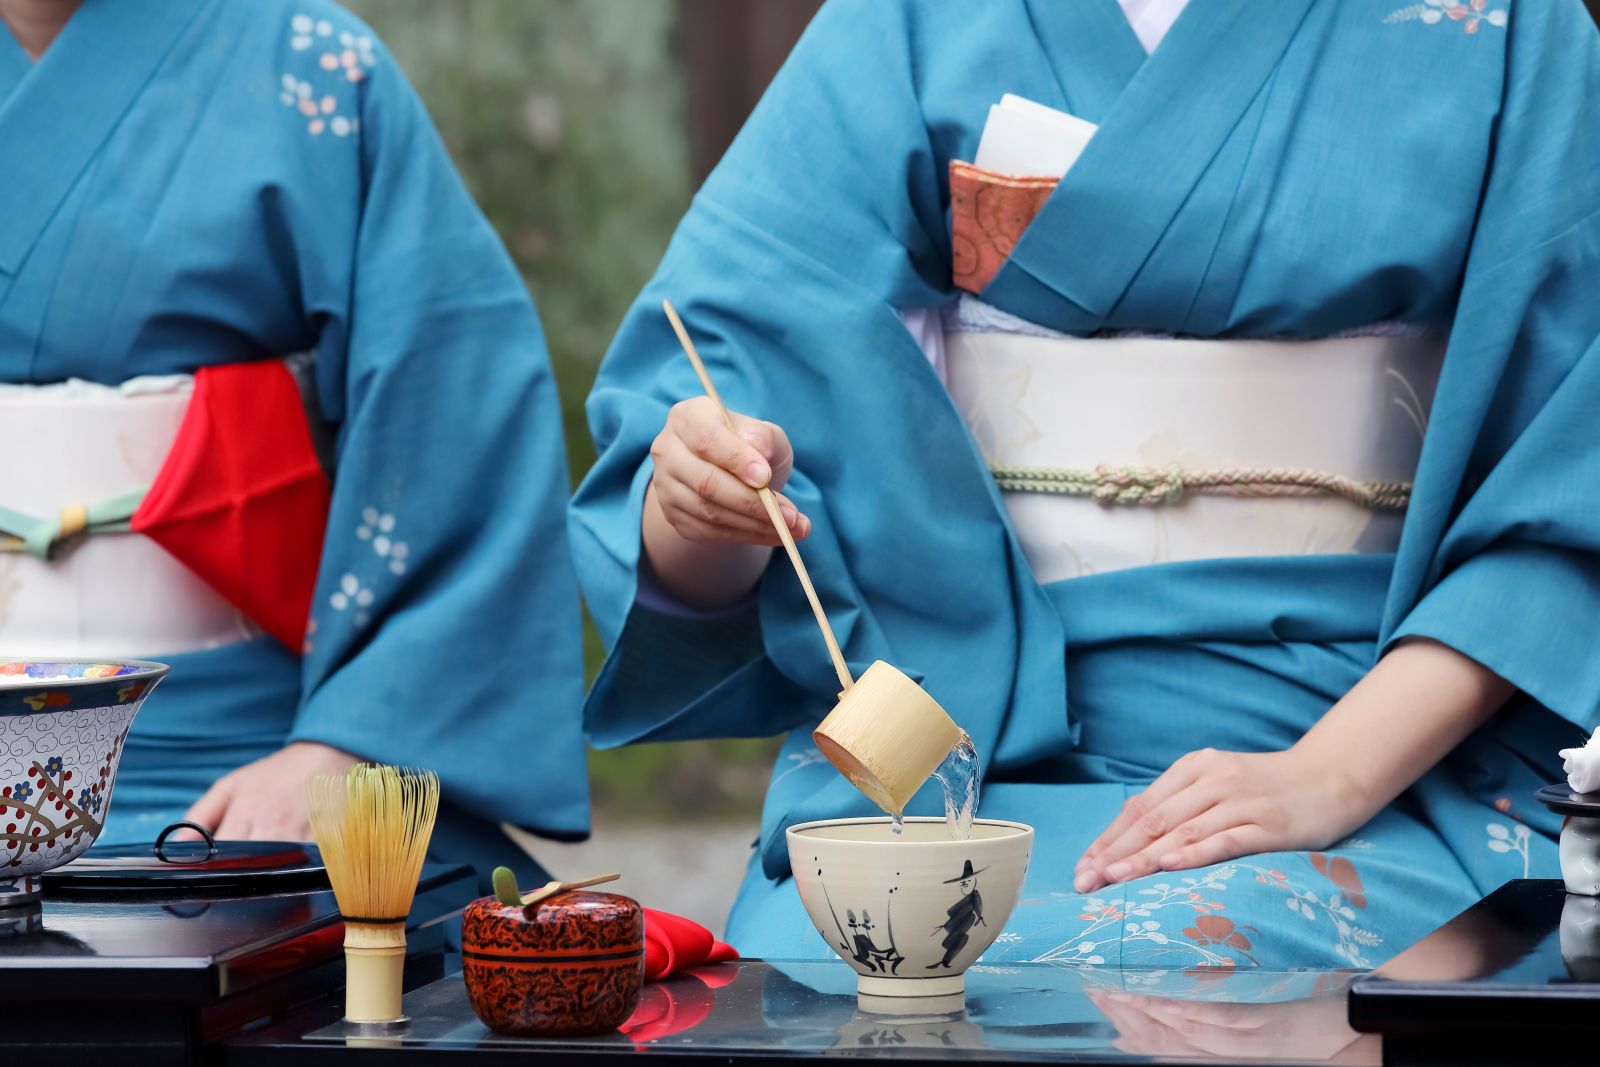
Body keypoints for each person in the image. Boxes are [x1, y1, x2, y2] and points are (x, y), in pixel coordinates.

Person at [572, 0, 1600, 967]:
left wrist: (1329, 775)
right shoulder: (905, 18)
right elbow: (729, 388)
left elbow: (1569, 467)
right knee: (838, 968)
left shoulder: (1505, 24)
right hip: (961, 741)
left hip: (1376, 751)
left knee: (1255, 979)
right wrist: (704, 509)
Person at [0, 0, 586, 884]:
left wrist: (347, 744)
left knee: (462, 990)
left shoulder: (309, 66)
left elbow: (451, 400)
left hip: (254, 772)